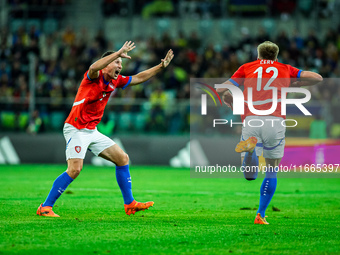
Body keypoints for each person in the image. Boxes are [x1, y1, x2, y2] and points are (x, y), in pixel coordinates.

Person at [37, 41, 174, 217]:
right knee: (74, 169)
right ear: (107, 63)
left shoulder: (115, 81)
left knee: (122, 158)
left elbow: (139, 78)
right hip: (76, 128)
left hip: (91, 131)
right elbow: (94, 66)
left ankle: (130, 204)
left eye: (121, 64)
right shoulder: (92, 76)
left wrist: (161, 67)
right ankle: (45, 207)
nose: (120, 66)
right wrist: (118, 53)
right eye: (117, 62)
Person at [216, 41, 322, 224]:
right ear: (276, 56)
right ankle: (260, 214)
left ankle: (250, 151)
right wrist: (296, 82)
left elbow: (221, 88)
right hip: (275, 121)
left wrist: (230, 99)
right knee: (272, 170)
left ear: (258, 55)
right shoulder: (285, 68)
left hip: (251, 120)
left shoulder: (247, 67)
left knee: (250, 175)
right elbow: (317, 78)